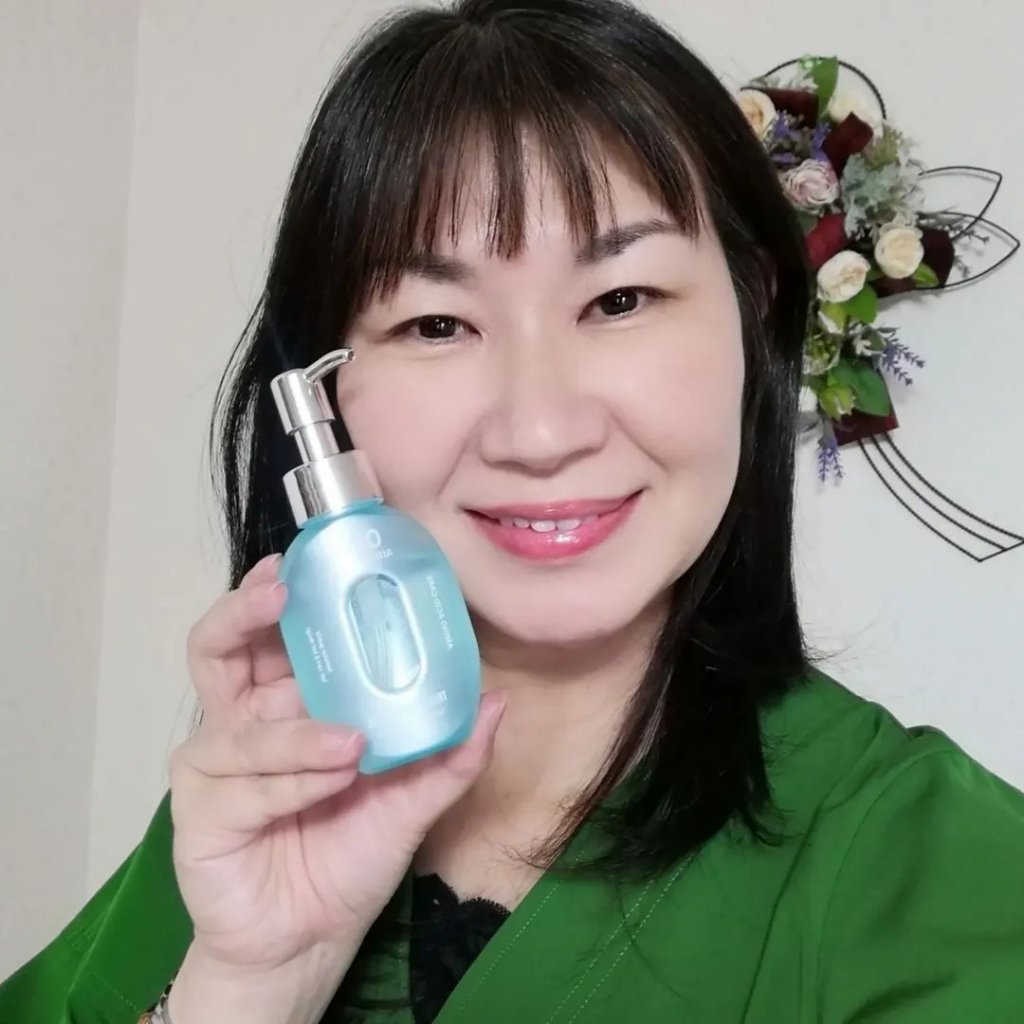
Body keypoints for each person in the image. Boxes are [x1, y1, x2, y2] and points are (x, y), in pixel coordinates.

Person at [4, 1, 1024, 1021]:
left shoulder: (936, 871)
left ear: (752, 310)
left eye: (620, 300)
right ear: (329, 391)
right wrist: (249, 986)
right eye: (435, 324)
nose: (539, 430)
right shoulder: (247, 816)